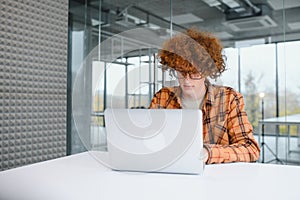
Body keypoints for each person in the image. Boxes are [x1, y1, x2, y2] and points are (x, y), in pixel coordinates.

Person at [149, 28, 260, 164]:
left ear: (207, 71)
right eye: (182, 72)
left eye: (195, 73)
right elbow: (149, 139)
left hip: (217, 179)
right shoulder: (163, 97)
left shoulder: (229, 98)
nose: (187, 80)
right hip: (171, 173)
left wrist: (208, 153)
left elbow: (251, 149)